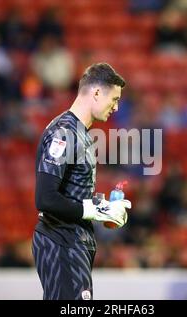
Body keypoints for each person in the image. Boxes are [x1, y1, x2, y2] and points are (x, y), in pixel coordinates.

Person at [32, 63, 132, 300]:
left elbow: (71, 195)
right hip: (60, 240)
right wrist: (95, 210)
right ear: (96, 93)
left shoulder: (81, 133)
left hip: (72, 241)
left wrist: (104, 208)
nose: (116, 107)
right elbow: (45, 198)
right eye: (114, 99)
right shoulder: (64, 132)